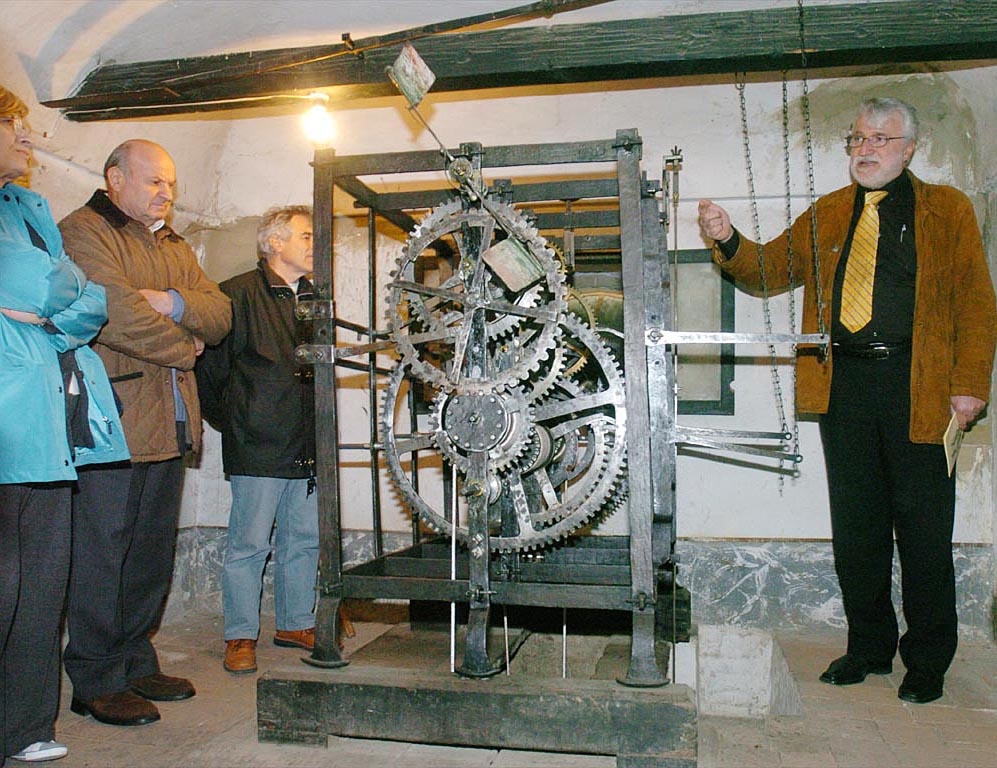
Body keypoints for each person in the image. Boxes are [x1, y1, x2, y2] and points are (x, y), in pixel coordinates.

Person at [698, 97, 997, 705]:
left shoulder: (947, 209)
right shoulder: (830, 211)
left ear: (909, 148)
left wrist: (969, 384)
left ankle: (928, 658)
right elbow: (768, 268)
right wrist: (728, 239)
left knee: (922, 529)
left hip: (920, 386)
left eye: (879, 139)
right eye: (856, 138)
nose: (864, 149)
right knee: (856, 529)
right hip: (844, 388)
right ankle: (868, 648)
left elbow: (975, 299)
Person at [58, 139, 231, 726]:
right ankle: (95, 676)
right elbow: (113, 311)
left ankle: (134, 660)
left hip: (169, 422)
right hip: (114, 422)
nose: (166, 193)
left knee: (150, 554)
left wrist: (179, 301)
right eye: (155, 181)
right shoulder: (82, 231)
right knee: (103, 556)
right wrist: (187, 346)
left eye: (172, 184)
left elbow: (220, 311)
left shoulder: (173, 244)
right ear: (114, 178)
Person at [0, 85, 129, 763]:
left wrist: (51, 306)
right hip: (6, 420)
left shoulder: (28, 206)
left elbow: (86, 299)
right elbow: (43, 283)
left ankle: (24, 728)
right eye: (14, 127)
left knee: (42, 585)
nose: (27, 140)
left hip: (47, 423)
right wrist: (54, 299)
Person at [196, 205, 320, 674]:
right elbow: (210, 373)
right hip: (258, 443)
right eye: (306, 235)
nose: (315, 243)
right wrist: (241, 423)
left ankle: (295, 623)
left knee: (304, 540)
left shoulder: (315, 297)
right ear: (274, 242)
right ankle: (241, 635)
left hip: (307, 440)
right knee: (248, 545)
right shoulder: (235, 296)